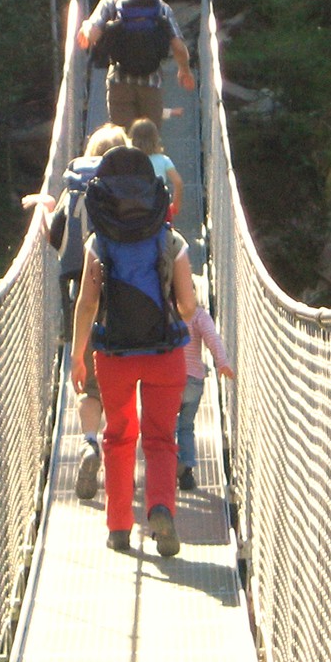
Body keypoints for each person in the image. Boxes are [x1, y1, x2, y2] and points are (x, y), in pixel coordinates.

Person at [71, 146, 197, 557]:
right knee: (161, 439)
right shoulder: (171, 240)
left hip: (113, 357)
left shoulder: (98, 243)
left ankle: (119, 527)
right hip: (165, 355)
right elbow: (187, 307)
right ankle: (161, 508)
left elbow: (88, 303)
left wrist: (77, 354)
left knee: (119, 436)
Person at [25, 123, 131, 501]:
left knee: (90, 388)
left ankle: (89, 442)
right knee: (122, 383)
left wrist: (45, 209)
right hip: (123, 298)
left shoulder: (73, 192)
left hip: (79, 301)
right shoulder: (127, 194)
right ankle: (122, 460)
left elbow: (55, 240)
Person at [77, 0, 196, 127]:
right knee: (149, 138)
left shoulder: (110, 3)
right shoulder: (160, 7)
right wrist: (184, 70)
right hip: (151, 82)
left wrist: (85, 29)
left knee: (122, 140)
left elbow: (93, 35)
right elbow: (177, 45)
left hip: (119, 80)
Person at [175, 303, 234, 491]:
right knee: (186, 426)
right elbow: (212, 338)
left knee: (165, 427)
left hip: (169, 381)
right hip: (193, 381)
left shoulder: (165, 312)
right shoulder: (198, 314)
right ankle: (186, 474)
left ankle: (170, 462)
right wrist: (222, 363)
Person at [127, 116, 183, 222]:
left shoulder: (128, 160)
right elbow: (178, 182)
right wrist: (175, 206)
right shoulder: (164, 160)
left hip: (134, 209)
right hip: (159, 209)